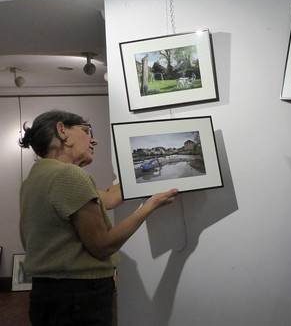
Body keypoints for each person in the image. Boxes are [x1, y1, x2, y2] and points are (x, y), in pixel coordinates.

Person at [18, 110, 179, 326]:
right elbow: (103, 246)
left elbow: (110, 198)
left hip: (47, 294)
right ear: (62, 130)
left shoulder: (35, 178)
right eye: (86, 131)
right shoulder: (69, 175)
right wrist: (151, 205)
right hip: (78, 296)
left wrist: (141, 174)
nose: (94, 139)